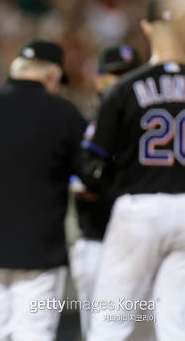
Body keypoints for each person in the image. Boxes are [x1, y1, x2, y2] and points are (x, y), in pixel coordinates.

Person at [0, 40, 87, 341]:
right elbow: (90, 177)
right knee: (35, 334)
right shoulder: (65, 113)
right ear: (52, 74)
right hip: (40, 253)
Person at [82, 0, 185, 341]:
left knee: (110, 320)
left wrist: (105, 183)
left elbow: (93, 163)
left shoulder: (126, 88)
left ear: (146, 27)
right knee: (175, 324)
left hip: (139, 206)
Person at [69, 43, 145, 339]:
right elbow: (81, 186)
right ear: (99, 79)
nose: (122, 82)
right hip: (100, 239)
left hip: (143, 243)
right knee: (102, 331)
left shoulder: (145, 124)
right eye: (115, 75)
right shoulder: (86, 123)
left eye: (129, 74)